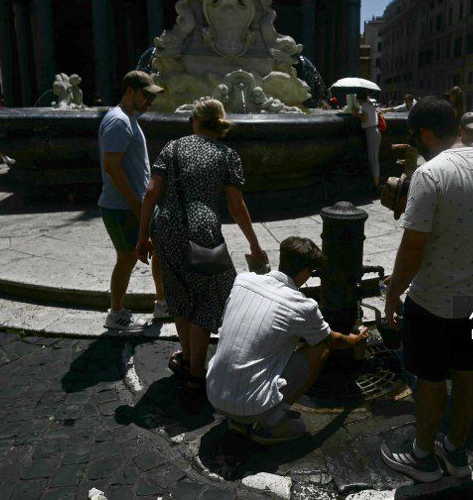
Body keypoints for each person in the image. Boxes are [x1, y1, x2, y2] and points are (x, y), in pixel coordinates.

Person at [381, 97, 473, 482]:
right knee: (467, 371)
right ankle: (456, 450)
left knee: (430, 381)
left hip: (432, 298)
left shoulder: (430, 174)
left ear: (424, 133)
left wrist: (394, 292)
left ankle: (423, 456)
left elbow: (413, 246)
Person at [137, 97, 268, 387]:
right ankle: (196, 372)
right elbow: (236, 206)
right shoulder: (226, 154)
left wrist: (143, 236)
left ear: (195, 121)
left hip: (167, 228)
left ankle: (186, 358)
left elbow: (150, 193)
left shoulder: (172, 147)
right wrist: (254, 245)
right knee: (212, 296)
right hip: (203, 230)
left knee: (179, 295)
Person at [206, 237, 366, 444]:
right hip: (253, 407)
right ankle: (272, 422)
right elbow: (330, 339)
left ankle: (238, 418)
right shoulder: (302, 306)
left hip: (215, 395)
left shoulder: (242, 281)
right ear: (305, 272)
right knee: (321, 348)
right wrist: (354, 340)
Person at [99, 71, 164, 333]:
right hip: (124, 208)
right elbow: (113, 168)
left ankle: (162, 302)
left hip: (135, 205)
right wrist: (139, 210)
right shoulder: (119, 122)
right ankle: (116, 314)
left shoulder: (128, 119)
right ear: (129, 90)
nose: (150, 101)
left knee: (158, 249)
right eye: (146, 95)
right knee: (126, 258)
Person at [352, 91, 382, 190]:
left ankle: (376, 185)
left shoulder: (364, 105)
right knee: (373, 158)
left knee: (373, 159)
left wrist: (356, 114)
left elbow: (365, 118)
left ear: (360, 99)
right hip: (375, 131)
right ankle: (375, 182)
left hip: (371, 132)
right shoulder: (370, 104)